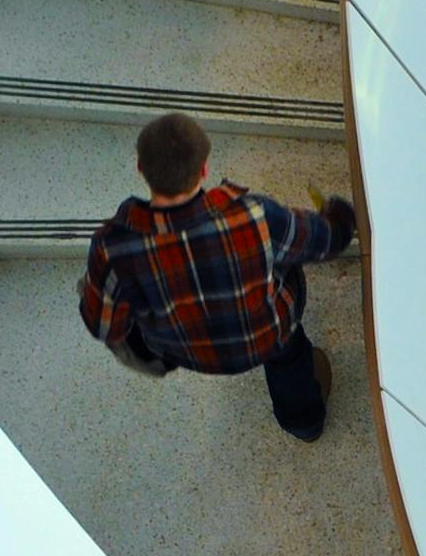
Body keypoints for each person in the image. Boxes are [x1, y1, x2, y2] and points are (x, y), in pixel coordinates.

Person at [77, 111, 357, 443]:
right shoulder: (254, 217)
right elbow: (328, 241)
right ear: (204, 169)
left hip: (189, 352)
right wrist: (340, 214)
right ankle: (305, 424)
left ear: (141, 168)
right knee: (290, 356)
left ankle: (303, 420)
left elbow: (104, 326)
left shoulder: (112, 247)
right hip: (267, 332)